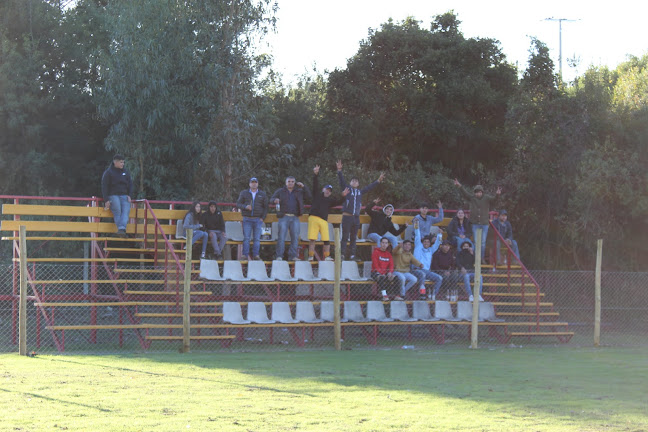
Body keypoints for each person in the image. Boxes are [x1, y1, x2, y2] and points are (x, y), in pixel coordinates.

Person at [337, 159, 385, 260]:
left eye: (356, 181)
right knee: (345, 237)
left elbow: (369, 187)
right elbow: (341, 181)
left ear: (358, 184)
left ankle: (352, 255)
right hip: (347, 217)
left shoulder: (360, 192)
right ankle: (341, 255)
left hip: (356, 218)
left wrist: (378, 181)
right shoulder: (347, 190)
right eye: (353, 181)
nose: (354, 182)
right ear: (350, 183)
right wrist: (339, 171)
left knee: (354, 237)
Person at [307, 165, 349, 261]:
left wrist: (343, 196)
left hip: (323, 221)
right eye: (327, 189)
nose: (328, 191)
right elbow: (315, 185)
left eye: (329, 191)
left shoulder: (330, 200)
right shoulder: (317, 195)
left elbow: (339, 202)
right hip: (313, 218)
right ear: (323, 189)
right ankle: (310, 255)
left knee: (326, 239)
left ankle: (327, 256)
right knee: (312, 239)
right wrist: (315, 174)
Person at [453, 179, 501, 260]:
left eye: (479, 192)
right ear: (474, 192)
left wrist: (497, 195)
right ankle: (475, 258)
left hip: (484, 224)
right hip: (475, 224)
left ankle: (481, 258)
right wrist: (459, 186)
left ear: (482, 192)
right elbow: (465, 194)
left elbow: (494, 200)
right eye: (476, 192)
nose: (478, 194)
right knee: (475, 242)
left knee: (483, 242)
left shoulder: (487, 198)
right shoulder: (472, 198)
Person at [271, 176, 311, 261]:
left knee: (295, 237)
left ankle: (292, 256)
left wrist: (304, 187)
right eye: (289, 181)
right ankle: (279, 256)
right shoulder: (280, 191)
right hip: (283, 217)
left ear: (295, 183)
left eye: (292, 181)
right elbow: (271, 199)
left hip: (295, 217)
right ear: (286, 183)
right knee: (281, 237)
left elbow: (309, 197)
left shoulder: (299, 191)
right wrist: (275, 200)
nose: (290, 183)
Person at [236, 177, 268, 260]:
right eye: (252, 182)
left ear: (257, 184)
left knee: (257, 239)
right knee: (246, 238)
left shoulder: (262, 194)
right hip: (247, 219)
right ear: (249, 184)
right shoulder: (244, 193)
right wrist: (245, 206)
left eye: (255, 182)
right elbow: (238, 204)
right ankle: (244, 255)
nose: (254, 184)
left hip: (258, 219)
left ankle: (256, 255)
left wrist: (262, 218)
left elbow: (266, 207)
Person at [101, 154, 133, 236]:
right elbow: (104, 186)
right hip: (113, 195)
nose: (123, 164)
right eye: (121, 162)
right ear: (115, 162)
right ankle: (122, 229)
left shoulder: (126, 172)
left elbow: (130, 184)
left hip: (124, 195)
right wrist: (106, 200)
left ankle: (121, 229)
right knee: (117, 211)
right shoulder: (108, 172)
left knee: (126, 211)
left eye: (123, 162)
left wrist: (129, 195)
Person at [412, 223, 443, 300]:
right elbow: (417, 235)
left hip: (427, 271)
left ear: (430, 243)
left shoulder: (431, 250)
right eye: (425, 242)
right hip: (416, 269)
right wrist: (416, 224)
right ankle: (421, 294)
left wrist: (440, 235)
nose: (426, 243)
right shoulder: (418, 246)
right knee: (422, 274)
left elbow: (438, 243)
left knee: (439, 278)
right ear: (422, 242)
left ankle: (432, 296)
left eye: (428, 242)